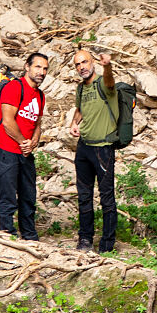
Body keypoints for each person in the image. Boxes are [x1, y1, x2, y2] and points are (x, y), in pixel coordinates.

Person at [0, 51, 49, 241]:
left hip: (25, 152)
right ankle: (7, 235)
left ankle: (30, 236)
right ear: (27, 66)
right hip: (6, 149)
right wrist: (22, 142)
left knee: (28, 196)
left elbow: (37, 123)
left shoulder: (40, 95)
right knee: (7, 195)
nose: (41, 72)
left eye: (45, 68)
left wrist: (33, 141)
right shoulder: (14, 87)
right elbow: (8, 121)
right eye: (38, 67)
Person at [68, 46, 118, 252]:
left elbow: (110, 83)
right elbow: (80, 109)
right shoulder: (81, 88)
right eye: (77, 64)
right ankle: (85, 239)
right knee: (84, 195)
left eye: (84, 62)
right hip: (84, 148)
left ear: (93, 62)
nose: (81, 67)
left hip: (103, 149)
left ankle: (107, 245)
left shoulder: (103, 83)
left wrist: (108, 67)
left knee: (106, 197)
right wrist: (74, 123)